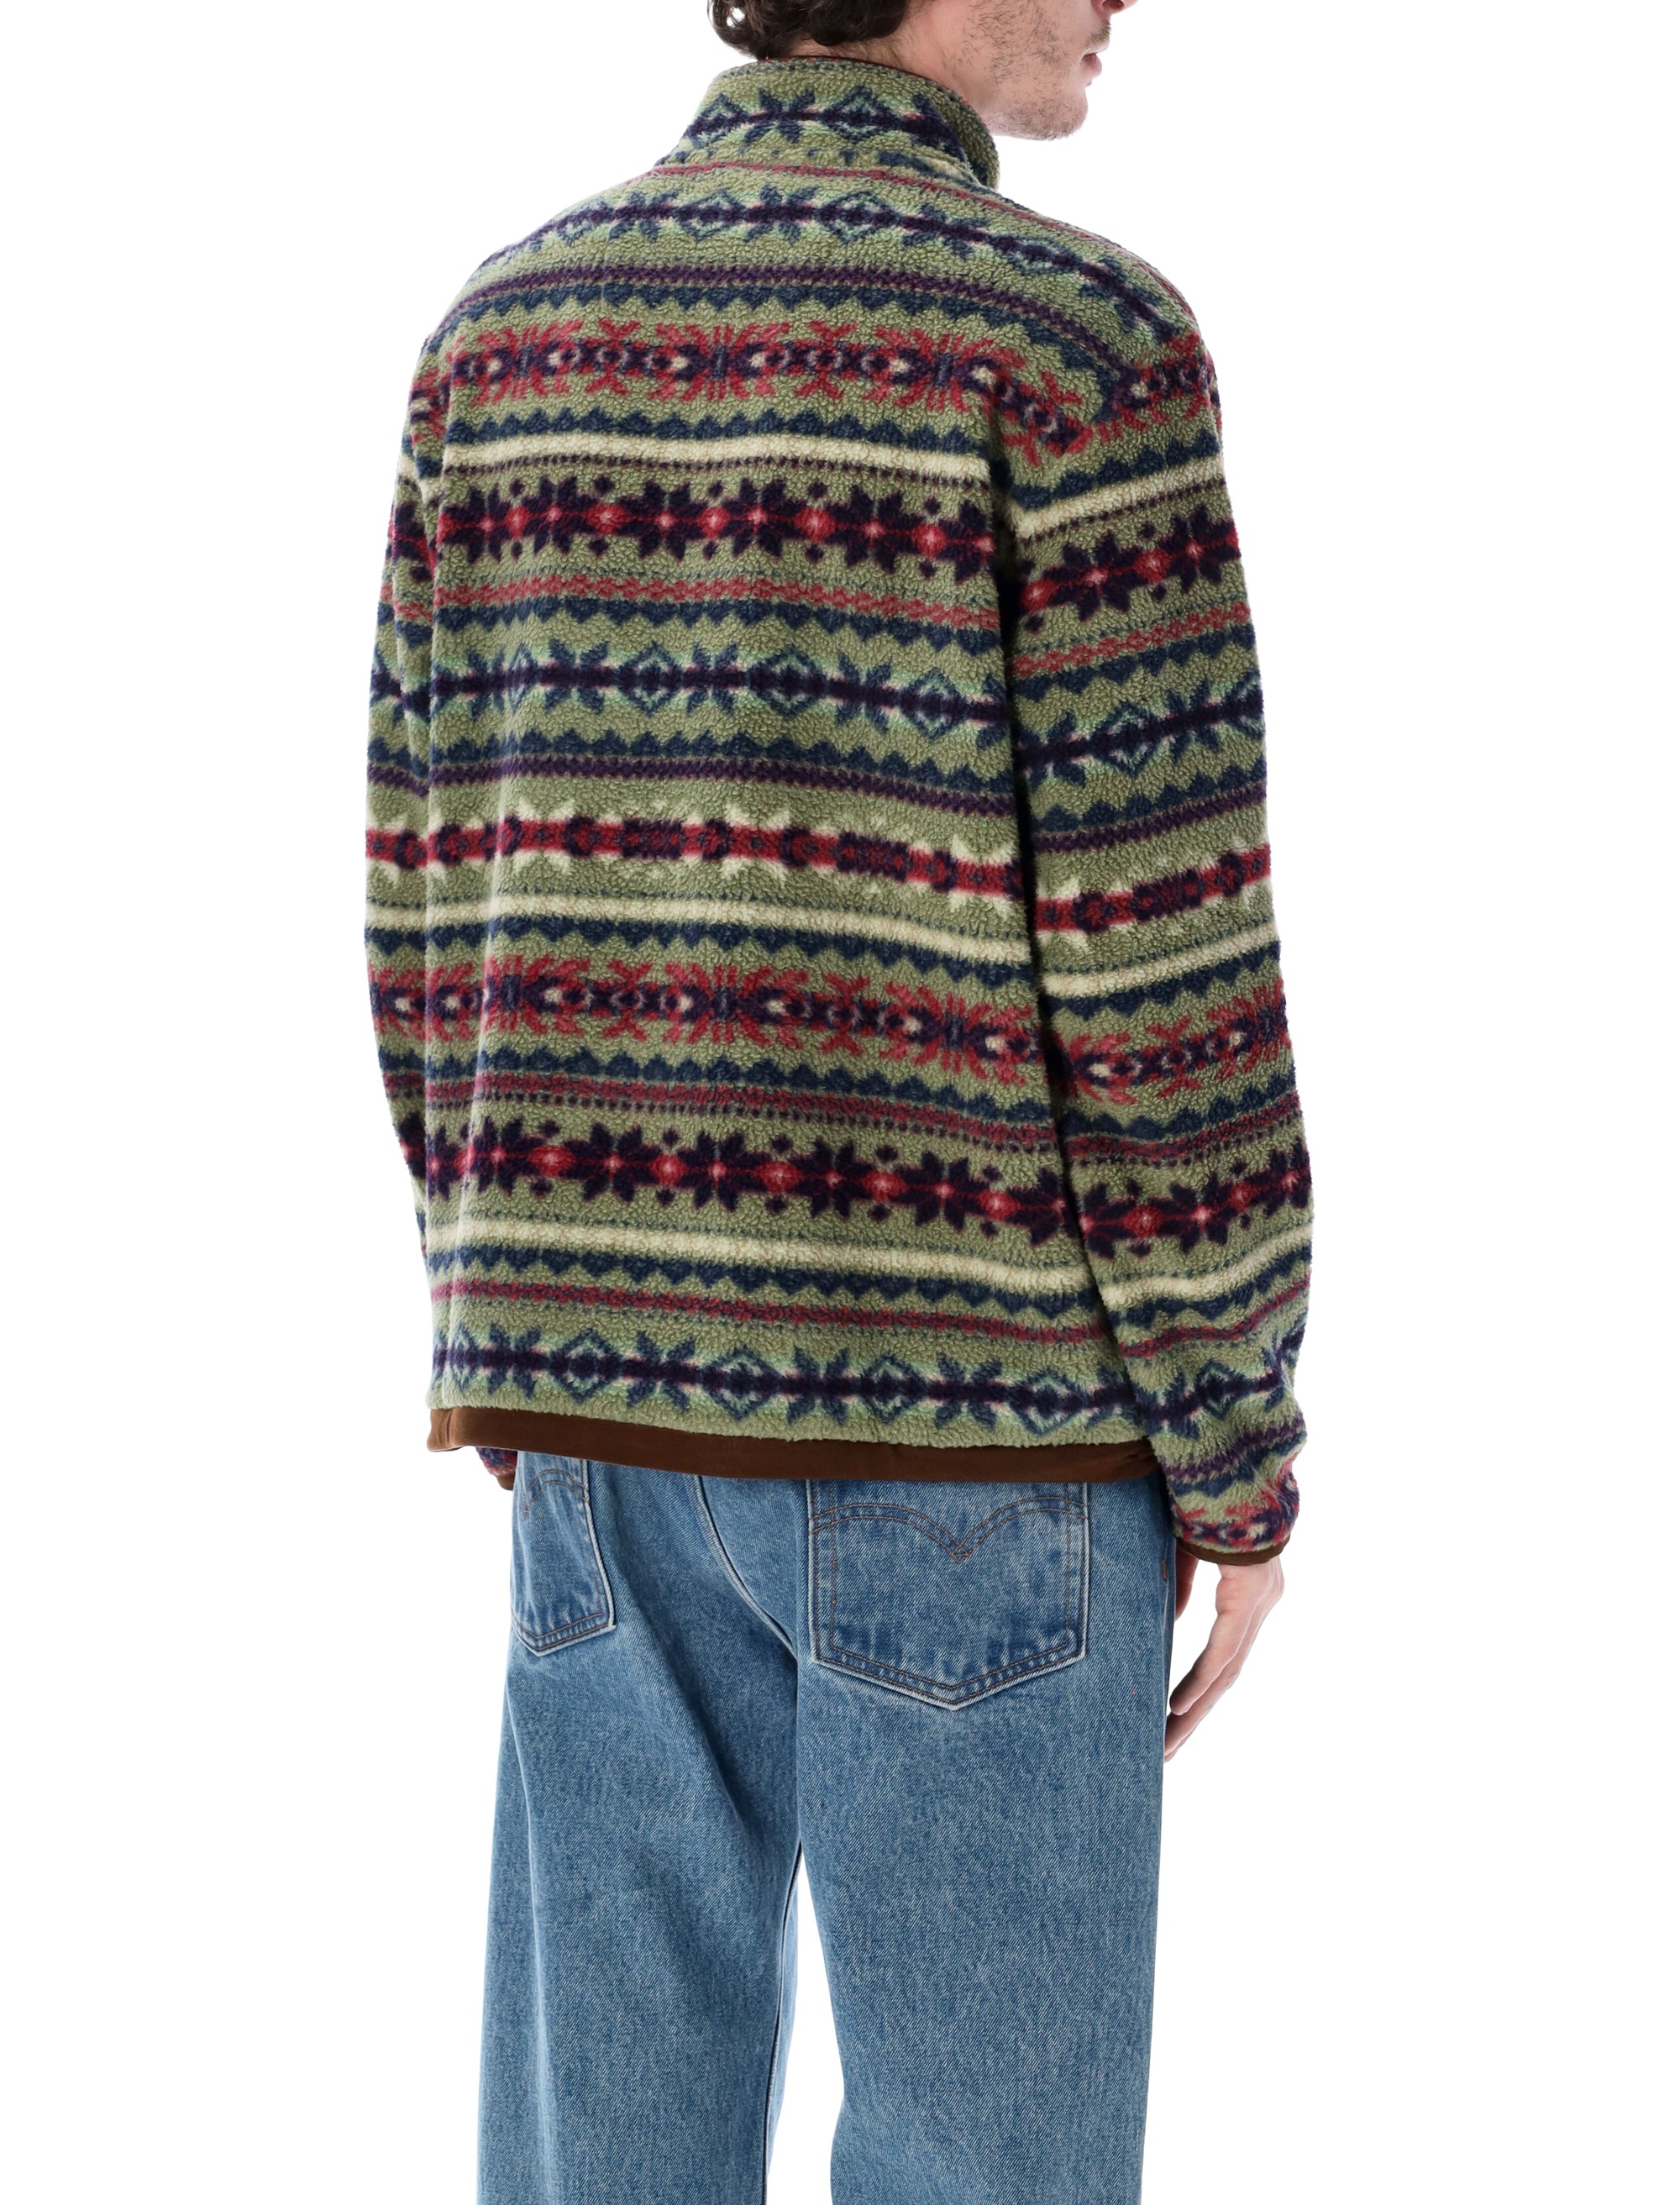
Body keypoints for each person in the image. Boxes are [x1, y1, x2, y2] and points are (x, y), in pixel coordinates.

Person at [365, 2, 1311, 2196]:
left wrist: (518, 1317)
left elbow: (419, 888)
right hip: (983, 1436)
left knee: (602, 2163)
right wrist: (1236, 1438)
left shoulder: (503, 334)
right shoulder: (1070, 347)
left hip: (602, 1426)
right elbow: (1161, 962)